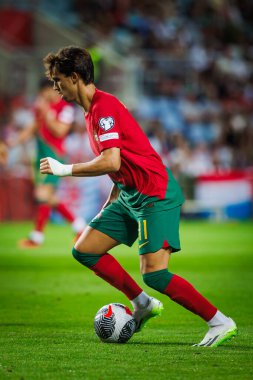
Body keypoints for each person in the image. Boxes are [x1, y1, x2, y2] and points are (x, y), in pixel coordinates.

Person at [40, 46, 237, 347]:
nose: (55, 86)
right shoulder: (92, 111)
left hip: (154, 194)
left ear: (75, 77)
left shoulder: (104, 109)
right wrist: (109, 204)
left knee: (155, 274)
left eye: (58, 79)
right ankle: (142, 304)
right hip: (130, 196)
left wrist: (63, 169)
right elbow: (121, 165)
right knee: (85, 249)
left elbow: (111, 161)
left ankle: (219, 321)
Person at [8, 79, 86, 247]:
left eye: (45, 92)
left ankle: (37, 237)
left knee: (42, 195)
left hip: (54, 155)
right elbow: (32, 128)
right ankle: (80, 227)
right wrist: (11, 143)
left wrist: (48, 113)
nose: (43, 96)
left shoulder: (65, 108)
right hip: (40, 156)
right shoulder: (40, 109)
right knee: (49, 197)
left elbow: (60, 131)